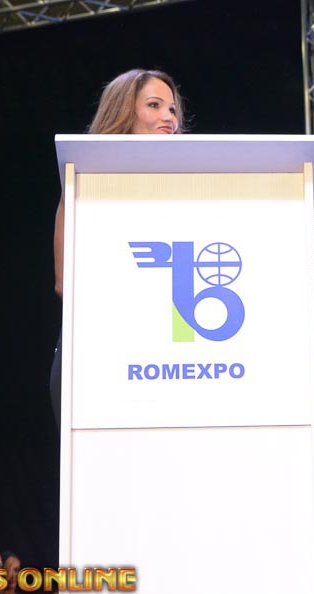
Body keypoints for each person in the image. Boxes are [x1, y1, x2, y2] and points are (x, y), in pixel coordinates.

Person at [49, 68, 186, 426]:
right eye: (154, 105)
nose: (168, 118)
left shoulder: (191, 186)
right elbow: (65, 282)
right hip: (98, 357)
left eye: (172, 109)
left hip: (172, 361)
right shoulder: (83, 182)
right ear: (123, 111)